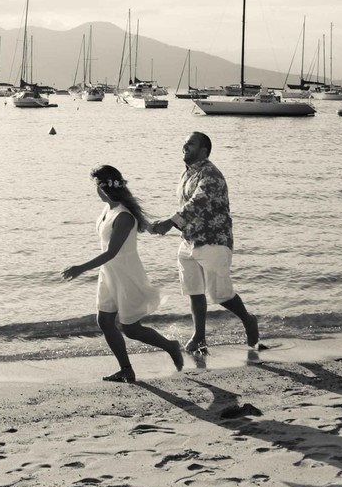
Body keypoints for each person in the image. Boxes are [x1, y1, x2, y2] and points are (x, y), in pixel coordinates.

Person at [62, 165, 184, 382]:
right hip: (108, 274)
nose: (94, 190)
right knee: (105, 321)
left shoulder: (124, 216)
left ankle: (170, 346)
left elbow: (111, 252)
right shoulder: (109, 209)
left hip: (126, 273)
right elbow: (143, 229)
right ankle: (126, 369)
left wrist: (80, 268)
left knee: (131, 328)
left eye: (95, 185)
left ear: (103, 187)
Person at [151, 132, 263, 354]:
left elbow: (197, 203)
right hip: (189, 239)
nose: (185, 146)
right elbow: (188, 206)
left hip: (213, 239)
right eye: (184, 143)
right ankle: (199, 337)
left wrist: (170, 222)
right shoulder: (187, 174)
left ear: (204, 150)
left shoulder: (210, 173)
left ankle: (248, 320)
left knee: (220, 293)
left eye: (190, 143)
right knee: (193, 289)